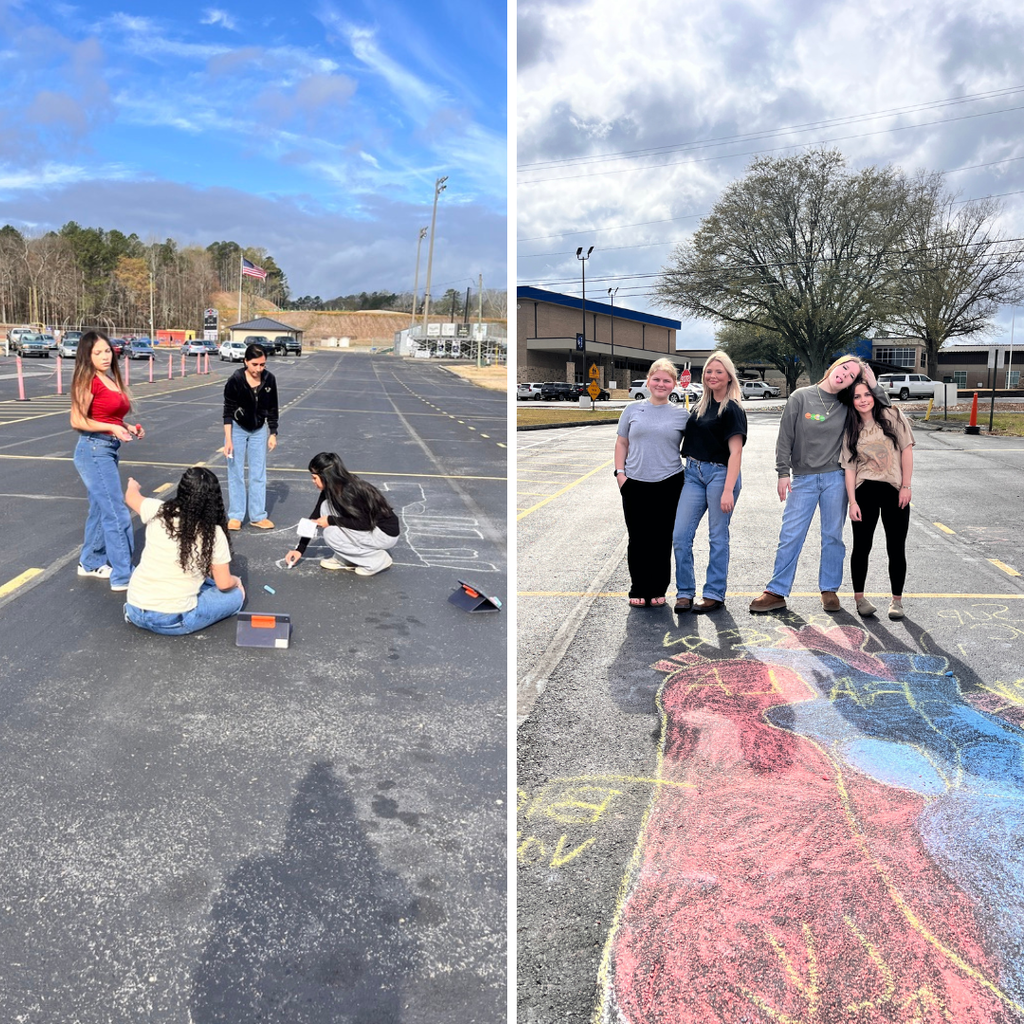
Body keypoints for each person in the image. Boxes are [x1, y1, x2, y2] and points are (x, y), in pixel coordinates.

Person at [749, 355, 890, 614]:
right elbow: (785, 437)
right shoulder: (800, 397)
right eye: (844, 368)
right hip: (803, 479)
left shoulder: (848, 404)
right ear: (835, 365)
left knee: (832, 537)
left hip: (835, 478)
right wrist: (783, 472)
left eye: (851, 377)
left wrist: (872, 383)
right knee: (791, 535)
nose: (845, 375)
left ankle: (829, 590)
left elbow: (883, 411)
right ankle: (776, 591)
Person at [122, 468, 246, 634]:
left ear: (182, 491)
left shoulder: (159, 510)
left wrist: (133, 485)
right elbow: (224, 584)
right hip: (173, 620)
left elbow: (131, 497)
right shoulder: (213, 533)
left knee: (207, 582)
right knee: (235, 596)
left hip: (135, 608)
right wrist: (236, 581)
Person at [671, 351, 746, 614]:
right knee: (680, 535)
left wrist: (728, 490)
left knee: (717, 537)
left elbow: (736, 452)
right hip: (692, 473)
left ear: (728, 377)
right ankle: (684, 593)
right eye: (709, 372)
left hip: (720, 475)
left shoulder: (732, 409)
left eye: (719, 372)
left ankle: (714, 593)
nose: (713, 376)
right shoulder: (699, 406)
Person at [70, 330, 145, 592]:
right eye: (97, 352)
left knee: (101, 510)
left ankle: (90, 562)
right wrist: (112, 429)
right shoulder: (87, 379)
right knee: (116, 512)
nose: (104, 356)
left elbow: (108, 417)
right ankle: (123, 574)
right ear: (87, 356)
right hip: (93, 450)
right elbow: (77, 420)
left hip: (107, 448)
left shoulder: (108, 378)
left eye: (106, 351)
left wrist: (125, 427)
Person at [614, 358, 688, 607]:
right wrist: (620, 474)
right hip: (634, 482)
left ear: (674, 384)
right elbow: (622, 443)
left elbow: (697, 445)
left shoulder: (682, 415)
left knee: (662, 538)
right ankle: (638, 587)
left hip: (670, 482)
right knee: (638, 538)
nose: (661, 384)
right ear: (648, 381)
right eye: (656, 379)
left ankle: (658, 588)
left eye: (666, 380)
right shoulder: (632, 410)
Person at [840, 381, 915, 620]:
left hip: (894, 489)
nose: (863, 400)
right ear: (851, 401)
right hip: (865, 491)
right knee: (862, 546)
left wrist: (906, 486)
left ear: (874, 396)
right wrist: (852, 501)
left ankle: (897, 601)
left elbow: (907, 450)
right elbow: (849, 468)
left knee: (896, 546)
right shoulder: (850, 428)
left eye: (867, 394)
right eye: (857, 397)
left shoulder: (892, 415)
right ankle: (860, 599)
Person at [284, 452, 400, 576]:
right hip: (369, 528)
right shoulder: (330, 489)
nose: (313, 482)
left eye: (314, 478)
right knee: (325, 507)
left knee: (331, 534)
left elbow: (365, 524)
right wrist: (299, 550)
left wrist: (331, 521)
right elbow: (315, 518)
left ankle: (377, 560)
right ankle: (349, 558)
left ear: (325, 476)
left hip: (383, 534)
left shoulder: (351, 491)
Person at [223, 343, 278, 530]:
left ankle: (257, 515)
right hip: (237, 429)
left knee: (258, 473)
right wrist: (228, 439)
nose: (258, 369)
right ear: (246, 361)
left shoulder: (270, 380)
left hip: (258, 430)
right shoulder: (235, 380)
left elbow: (273, 408)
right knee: (235, 472)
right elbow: (227, 411)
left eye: (262, 364)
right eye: (255, 364)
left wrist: (273, 433)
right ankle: (236, 515)